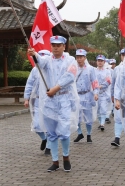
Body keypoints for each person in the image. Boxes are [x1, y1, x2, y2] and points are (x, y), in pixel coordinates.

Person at [27, 35, 79, 172]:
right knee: (51, 133)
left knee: (64, 132)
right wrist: (35, 54)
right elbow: (40, 62)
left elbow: (70, 76)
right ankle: (55, 161)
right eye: (53, 45)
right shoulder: (47, 60)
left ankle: (66, 156)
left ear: (64, 46)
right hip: (49, 102)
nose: (55, 47)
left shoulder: (70, 60)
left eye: (58, 45)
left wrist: (56, 88)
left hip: (64, 101)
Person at [24, 49, 51, 155]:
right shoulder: (34, 70)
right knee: (36, 125)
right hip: (38, 101)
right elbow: (29, 84)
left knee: (49, 125)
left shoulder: (51, 70)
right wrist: (26, 98)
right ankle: (44, 139)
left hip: (49, 101)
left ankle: (49, 146)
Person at [73, 49, 99, 144]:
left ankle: (89, 134)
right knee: (76, 116)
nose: (79, 59)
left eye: (81, 57)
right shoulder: (73, 68)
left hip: (87, 95)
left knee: (88, 117)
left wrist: (96, 93)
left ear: (85, 58)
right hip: (77, 95)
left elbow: (94, 82)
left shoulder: (90, 69)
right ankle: (79, 133)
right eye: (78, 57)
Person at [110, 48, 125, 147]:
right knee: (118, 118)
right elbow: (113, 83)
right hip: (119, 97)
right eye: (123, 55)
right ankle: (117, 138)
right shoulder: (117, 69)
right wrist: (112, 95)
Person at [95, 55, 112, 131]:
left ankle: (102, 124)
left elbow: (108, 81)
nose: (100, 62)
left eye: (101, 61)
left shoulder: (107, 71)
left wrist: (101, 86)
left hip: (104, 93)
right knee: (97, 109)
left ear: (104, 62)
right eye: (98, 61)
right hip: (96, 93)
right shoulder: (94, 71)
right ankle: (100, 122)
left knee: (103, 108)